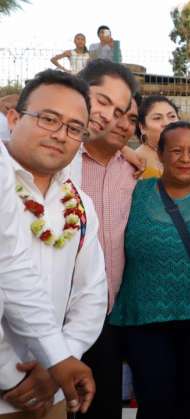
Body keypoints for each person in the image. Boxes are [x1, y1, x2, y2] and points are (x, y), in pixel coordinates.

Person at [0, 69, 108, 419]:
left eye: (75, 128)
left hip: (54, 392)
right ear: (14, 117)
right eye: (49, 119)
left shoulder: (78, 204)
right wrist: (7, 376)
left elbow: (92, 294)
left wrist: (59, 361)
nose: (61, 135)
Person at [109, 121, 190, 419]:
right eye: (176, 151)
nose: (185, 158)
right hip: (144, 318)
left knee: (189, 400)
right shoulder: (135, 191)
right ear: (159, 154)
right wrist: (123, 147)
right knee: (153, 401)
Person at [72, 59, 139, 419]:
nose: (118, 122)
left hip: (108, 315)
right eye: (108, 107)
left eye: (128, 117)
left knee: (103, 407)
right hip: (54, 314)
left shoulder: (136, 169)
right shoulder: (60, 158)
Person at [133, 95, 180, 178]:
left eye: (172, 116)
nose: (167, 123)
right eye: (157, 118)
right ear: (142, 127)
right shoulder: (136, 162)